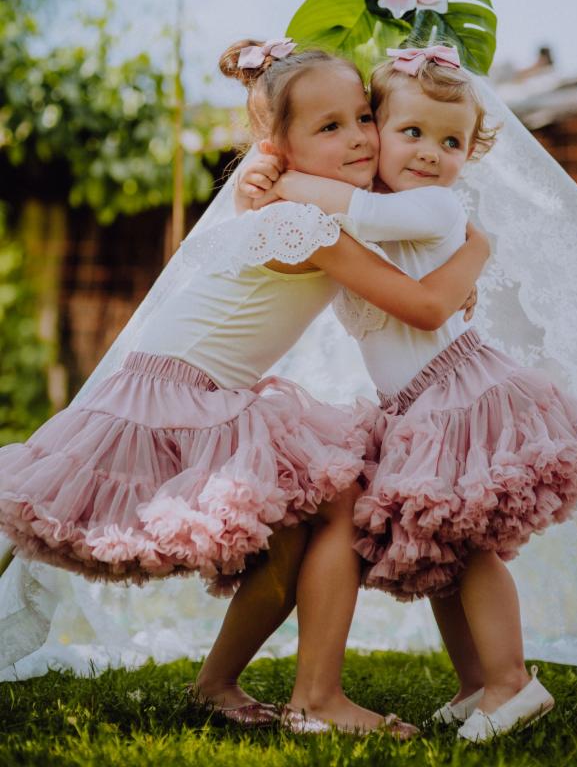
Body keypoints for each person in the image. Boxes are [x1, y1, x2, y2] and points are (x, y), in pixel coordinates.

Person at [0, 39, 489, 736]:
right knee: (340, 503)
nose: (357, 138)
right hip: (179, 395)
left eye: (362, 117)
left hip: (200, 386)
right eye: (329, 128)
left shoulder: (307, 200)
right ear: (277, 144)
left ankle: (217, 685)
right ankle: (318, 698)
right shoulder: (305, 222)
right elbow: (420, 304)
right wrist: (475, 251)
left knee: (295, 537)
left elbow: (396, 247)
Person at [239, 44, 577, 741]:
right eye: (410, 132)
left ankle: (511, 681)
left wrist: (288, 180)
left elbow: (360, 212)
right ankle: (476, 682)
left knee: (471, 547)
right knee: (446, 548)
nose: (429, 153)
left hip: (457, 394)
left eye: (451, 141)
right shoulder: (373, 212)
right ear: (374, 130)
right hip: (418, 404)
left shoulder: (436, 211)